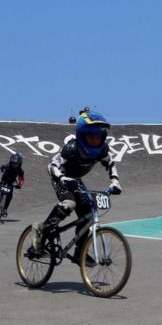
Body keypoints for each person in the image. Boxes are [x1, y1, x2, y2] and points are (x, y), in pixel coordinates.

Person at [32, 110, 121, 266]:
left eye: (98, 137)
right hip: (61, 177)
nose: (95, 140)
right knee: (69, 203)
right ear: (82, 135)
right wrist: (61, 178)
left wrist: (115, 181)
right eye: (91, 136)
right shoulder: (71, 148)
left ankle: (80, 252)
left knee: (88, 213)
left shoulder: (101, 149)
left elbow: (110, 163)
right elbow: (52, 165)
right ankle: (41, 231)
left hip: (76, 180)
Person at [0, 153, 25, 217]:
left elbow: (21, 178)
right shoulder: (6, 166)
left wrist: (19, 185)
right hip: (4, 179)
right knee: (1, 184)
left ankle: (5, 209)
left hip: (11, 182)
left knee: (10, 195)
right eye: (13, 163)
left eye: (16, 164)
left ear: (20, 164)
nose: (14, 165)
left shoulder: (20, 170)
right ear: (11, 162)